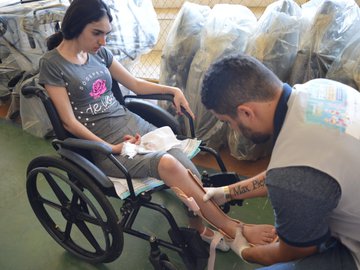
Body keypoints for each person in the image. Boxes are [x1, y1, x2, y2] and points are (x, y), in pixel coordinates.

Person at [38, 0, 277, 257]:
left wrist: (173, 90)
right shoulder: (53, 64)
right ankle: (235, 229)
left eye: (106, 34)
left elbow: (136, 85)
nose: (103, 42)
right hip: (104, 145)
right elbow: (68, 122)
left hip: (132, 125)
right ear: (76, 26)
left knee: (187, 167)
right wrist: (110, 147)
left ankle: (196, 227)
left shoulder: (99, 54)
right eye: (97, 33)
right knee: (169, 165)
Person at [201, 53, 360, 269]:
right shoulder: (319, 88)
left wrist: (245, 250)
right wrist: (228, 192)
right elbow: (302, 169)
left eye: (228, 122)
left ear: (246, 113)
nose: (234, 130)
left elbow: (291, 251)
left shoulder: (292, 173)